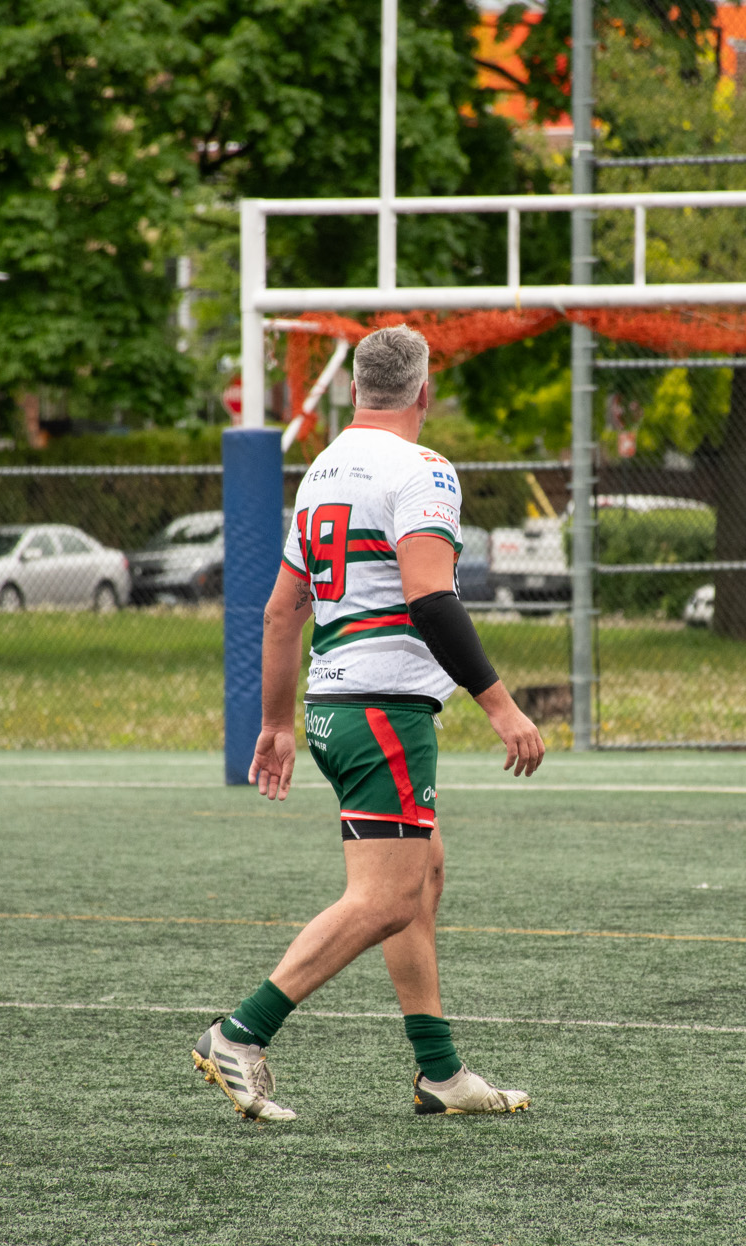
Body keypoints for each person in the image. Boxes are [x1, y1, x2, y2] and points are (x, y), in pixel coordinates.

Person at [192, 325, 546, 1122]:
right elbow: (430, 596)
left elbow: (284, 608)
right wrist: (502, 705)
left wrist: (277, 723)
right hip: (382, 708)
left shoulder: (322, 469)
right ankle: (239, 1033)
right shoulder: (424, 469)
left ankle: (441, 1074)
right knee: (385, 896)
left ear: (356, 391)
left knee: (422, 876)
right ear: (424, 393)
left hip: (333, 706)